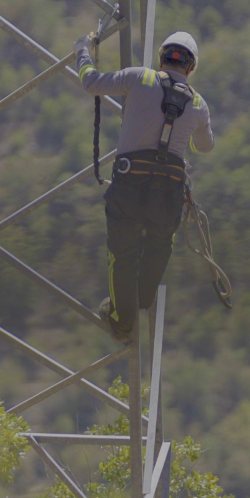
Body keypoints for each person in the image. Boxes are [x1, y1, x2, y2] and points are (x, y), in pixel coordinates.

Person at [75, 31, 215, 343]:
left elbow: (90, 82)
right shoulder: (198, 103)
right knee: (159, 245)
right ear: (191, 68)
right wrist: (186, 134)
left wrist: (82, 50)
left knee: (122, 252)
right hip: (168, 193)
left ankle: (121, 319)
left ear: (161, 59)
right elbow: (205, 146)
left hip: (129, 183)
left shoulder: (141, 77)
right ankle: (140, 302)